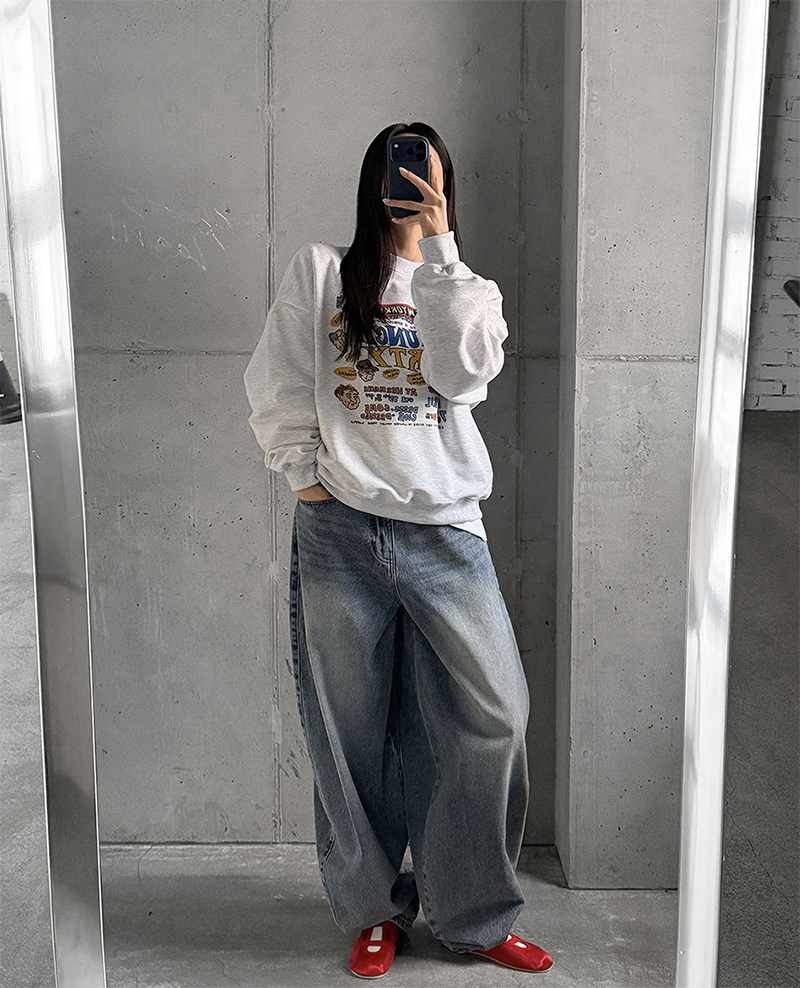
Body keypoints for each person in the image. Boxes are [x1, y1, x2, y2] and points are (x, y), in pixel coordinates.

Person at [243, 122, 553, 978]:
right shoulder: (321, 271)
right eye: (397, 166)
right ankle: (374, 911)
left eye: (427, 172)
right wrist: (305, 477)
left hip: (445, 531)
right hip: (339, 532)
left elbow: (462, 379)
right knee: (349, 730)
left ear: (445, 184)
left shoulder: (468, 288)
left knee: (494, 717)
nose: (411, 183)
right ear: (371, 178)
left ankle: (472, 917)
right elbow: (276, 379)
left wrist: (443, 253)